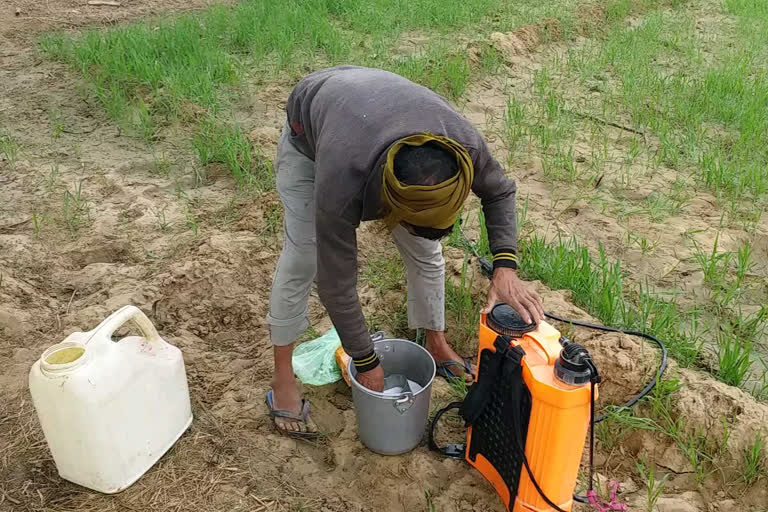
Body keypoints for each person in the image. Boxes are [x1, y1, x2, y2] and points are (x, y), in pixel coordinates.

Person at [264, 66, 544, 437]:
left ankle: (437, 344)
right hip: (313, 126)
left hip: (373, 106)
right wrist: (365, 360)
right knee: (304, 258)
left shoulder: (463, 148)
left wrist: (505, 267)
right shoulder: (342, 184)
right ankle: (282, 379)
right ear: (390, 205)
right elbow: (336, 284)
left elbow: (500, 191)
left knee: (427, 252)